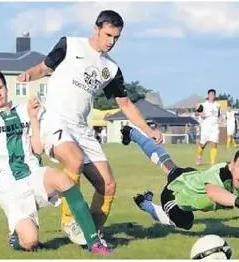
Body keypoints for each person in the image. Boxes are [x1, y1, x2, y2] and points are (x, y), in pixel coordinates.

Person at [17, 10, 163, 244]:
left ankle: (91, 234)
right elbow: (44, 67)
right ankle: (69, 221)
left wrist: (149, 130)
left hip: (81, 127)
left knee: (108, 185)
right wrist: (28, 75)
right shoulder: (70, 45)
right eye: (108, 35)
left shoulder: (112, 69)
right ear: (96, 28)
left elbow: (125, 104)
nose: (111, 41)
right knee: (73, 160)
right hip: (54, 119)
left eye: (116, 38)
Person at [0, 69, 111, 255]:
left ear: (6, 88)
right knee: (30, 242)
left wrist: (33, 118)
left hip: (33, 174)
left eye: (0, 87)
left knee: (65, 180)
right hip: (10, 188)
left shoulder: (24, 110)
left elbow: (38, 149)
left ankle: (94, 242)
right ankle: (16, 238)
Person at [120, 126, 239, 239]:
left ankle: (133, 133)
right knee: (185, 222)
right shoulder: (221, 173)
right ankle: (146, 205)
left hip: (190, 175)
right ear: (232, 164)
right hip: (176, 192)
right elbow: (213, 192)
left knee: (165, 161)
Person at [195, 89, 221, 165]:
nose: (212, 96)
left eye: (213, 94)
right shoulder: (203, 105)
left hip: (215, 126)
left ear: (215, 96)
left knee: (214, 143)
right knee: (202, 144)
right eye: (210, 94)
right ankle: (199, 156)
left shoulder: (218, 105)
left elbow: (219, 114)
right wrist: (200, 113)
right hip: (206, 126)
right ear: (208, 95)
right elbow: (197, 113)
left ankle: (212, 161)